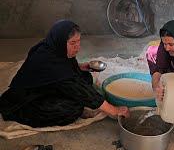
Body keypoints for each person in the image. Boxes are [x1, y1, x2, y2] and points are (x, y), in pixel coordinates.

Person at [0, 20, 129, 128]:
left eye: (78, 41)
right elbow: (82, 92)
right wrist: (114, 110)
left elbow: (67, 69)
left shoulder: (53, 46)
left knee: (85, 77)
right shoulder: (49, 63)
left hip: (48, 86)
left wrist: (80, 67)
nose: (77, 47)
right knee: (72, 110)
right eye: (73, 43)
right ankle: (25, 114)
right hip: (27, 101)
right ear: (61, 41)